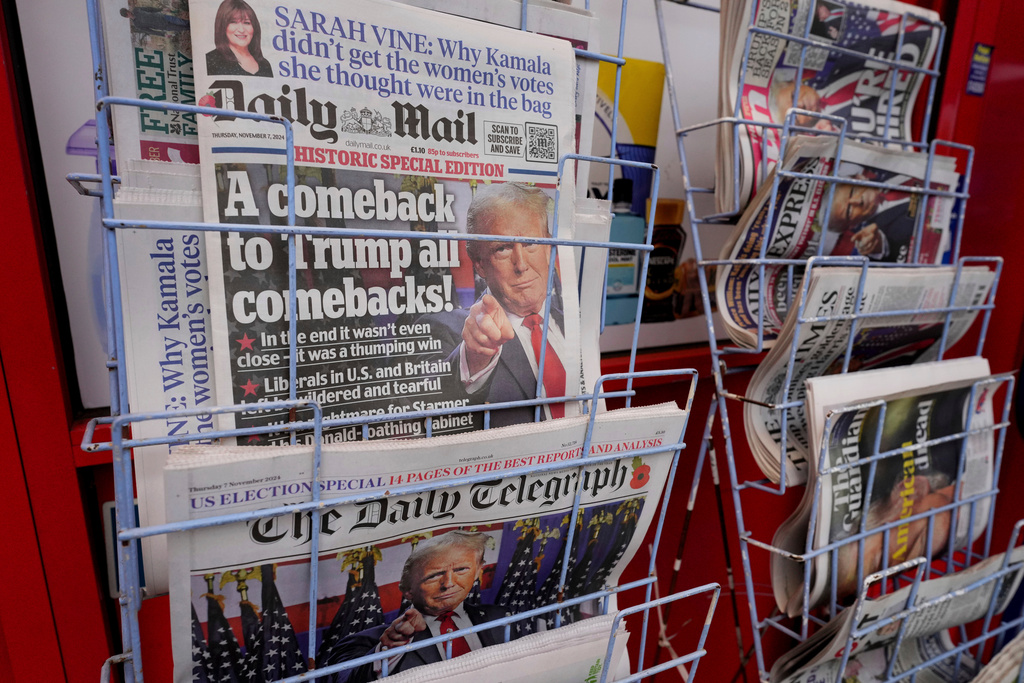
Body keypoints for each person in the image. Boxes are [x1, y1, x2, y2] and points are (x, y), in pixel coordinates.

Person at [427, 182, 572, 427]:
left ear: (549, 248)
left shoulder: (574, 323)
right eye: (503, 249)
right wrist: (475, 357)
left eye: (530, 243)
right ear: (480, 265)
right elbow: (433, 403)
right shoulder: (447, 329)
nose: (521, 264)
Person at [325, 532, 517, 681]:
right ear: (407, 590)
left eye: (461, 570)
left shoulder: (501, 617)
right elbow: (344, 678)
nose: (448, 583)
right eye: (434, 575)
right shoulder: (363, 642)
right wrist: (389, 649)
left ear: (477, 572)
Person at [205, 0, 273, 77]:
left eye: (247, 23)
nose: (241, 30)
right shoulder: (211, 60)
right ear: (222, 26)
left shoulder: (265, 65)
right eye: (233, 22)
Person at [119, 6, 190, 37]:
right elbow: (150, 31)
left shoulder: (136, 10)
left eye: (127, 12)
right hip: (164, 26)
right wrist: (163, 34)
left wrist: (161, 9)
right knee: (183, 28)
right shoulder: (137, 25)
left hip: (163, 17)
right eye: (126, 15)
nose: (128, 13)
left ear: (127, 10)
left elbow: (150, 9)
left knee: (183, 22)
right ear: (126, 17)